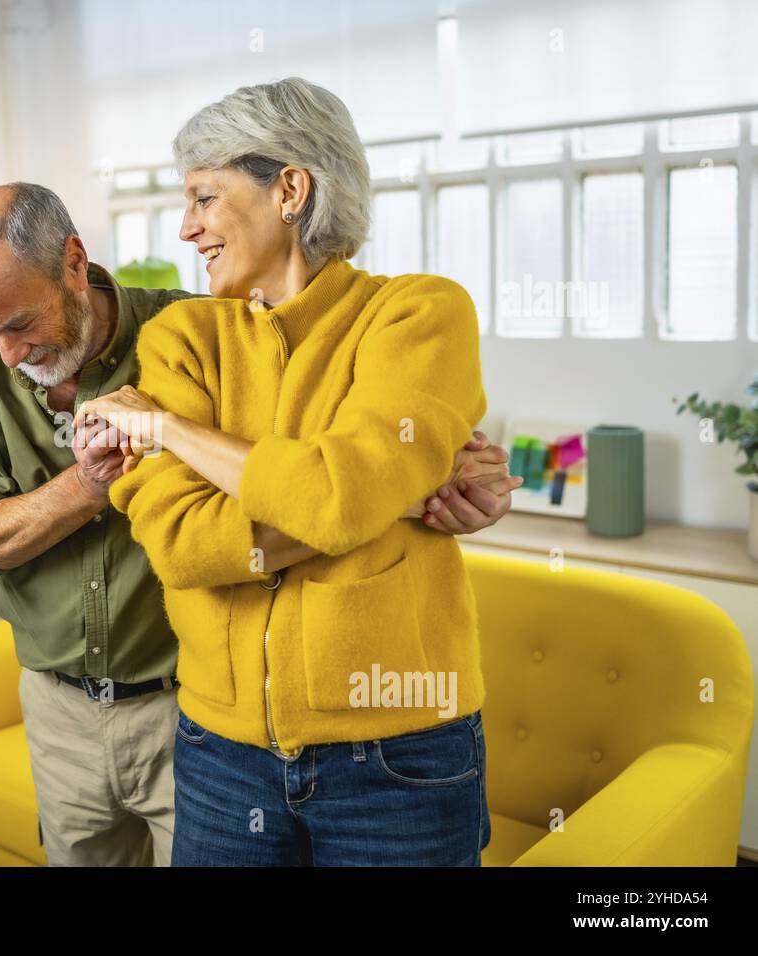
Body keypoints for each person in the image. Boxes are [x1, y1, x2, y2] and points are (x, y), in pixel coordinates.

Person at [0, 181, 520, 866]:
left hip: (194, 709)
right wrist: (91, 481)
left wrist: (409, 487)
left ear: (74, 263)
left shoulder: (194, 332)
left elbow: (329, 479)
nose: (6, 353)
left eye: (20, 325)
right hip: (61, 709)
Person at [76, 78, 506, 866]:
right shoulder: (182, 338)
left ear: (290, 189)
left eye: (205, 197)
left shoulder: (420, 315)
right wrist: (393, 497)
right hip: (221, 752)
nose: (186, 227)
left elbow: (339, 497)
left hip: (400, 752)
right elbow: (180, 544)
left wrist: (171, 428)